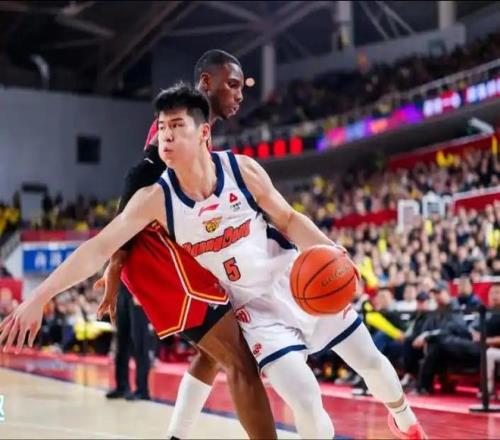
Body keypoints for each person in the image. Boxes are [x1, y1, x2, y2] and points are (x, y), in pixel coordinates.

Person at [0, 84, 426, 440]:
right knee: (306, 398)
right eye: (161, 128)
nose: (165, 137)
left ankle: (405, 422)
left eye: (177, 126)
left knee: (373, 365)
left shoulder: (242, 171)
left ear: (204, 133)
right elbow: (96, 248)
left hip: (293, 278)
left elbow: (289, 219)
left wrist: (330, 249)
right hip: (256, 314)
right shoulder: (154, 199)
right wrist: (39, 296)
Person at [94, 49, 276, 439]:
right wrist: (115, 265)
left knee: (211, 354)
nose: (240, 94)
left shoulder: (198, 127)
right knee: (240, 360)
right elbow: (137, 180)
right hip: (153, 254)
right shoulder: (179, 122)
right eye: (232, 84)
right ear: (206, 83)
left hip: (164, 251)